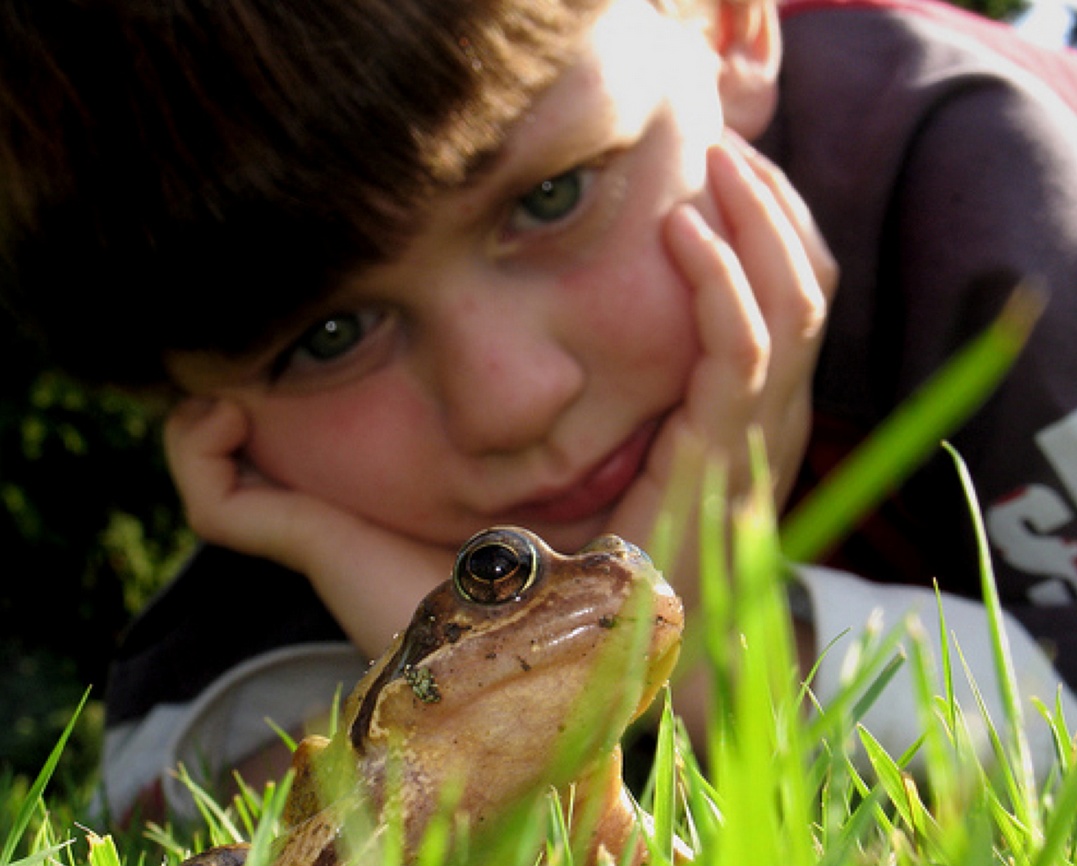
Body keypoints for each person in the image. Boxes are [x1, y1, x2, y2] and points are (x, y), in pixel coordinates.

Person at [1, 0, 1076, 823]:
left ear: (730, 25)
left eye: (550, 195)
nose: (510, 400)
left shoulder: (992, 191)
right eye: (324, 337)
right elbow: (175, 787)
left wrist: (725, 649)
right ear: (198, 407)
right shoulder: (308, 490)